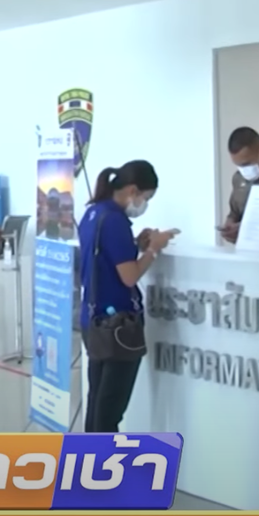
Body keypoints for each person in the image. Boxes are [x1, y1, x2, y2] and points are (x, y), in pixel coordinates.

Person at [77, 160, 179, 433]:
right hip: (118, 326)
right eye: (146, 198)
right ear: (133, 190)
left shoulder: (94, 213)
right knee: (109, 412)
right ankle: (103, 460)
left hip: (93, 320)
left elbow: (104, 256)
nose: (144, 204)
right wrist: (153, 249)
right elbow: (130, 276)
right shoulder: (115, 221)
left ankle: (89, 456)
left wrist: (135, 244)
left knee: (97, 403)